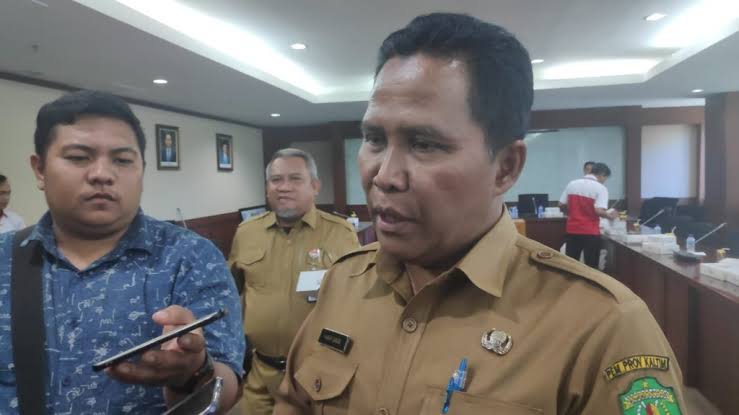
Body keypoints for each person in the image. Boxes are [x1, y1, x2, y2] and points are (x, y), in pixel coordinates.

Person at [274, 13, 685, 415]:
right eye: (374, 139)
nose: (384, 175)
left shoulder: (604, 327)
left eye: (424, 143)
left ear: (505, 167)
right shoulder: (343, 281)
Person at [0, 90, 245, 413]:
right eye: (79, 157)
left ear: (142, 168)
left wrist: (194, 372)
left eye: (122, 160)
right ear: (40, 169)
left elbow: (226, 389)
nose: (102, 174)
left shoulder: (192, 257)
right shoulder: (6, 257)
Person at [228, 148, 360, 415]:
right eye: (276, 180)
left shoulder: (340, 234)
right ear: (267, 188)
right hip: (260, 375)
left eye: (295, 179)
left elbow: (358, 303)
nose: (284, 187)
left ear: (315, 186)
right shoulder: (247, 233)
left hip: (316, 378)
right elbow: (230, 296)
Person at [559, 162, 619, 268]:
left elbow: (561, 205)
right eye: (605, 178)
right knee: (591, 267)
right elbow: (599, 211)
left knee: (571, 266)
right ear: (602, 174)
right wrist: (610, 216)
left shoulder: (572, 184)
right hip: (590, 232)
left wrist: (571, 212)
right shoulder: (601, 188)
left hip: (572, 230)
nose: (604, 181)